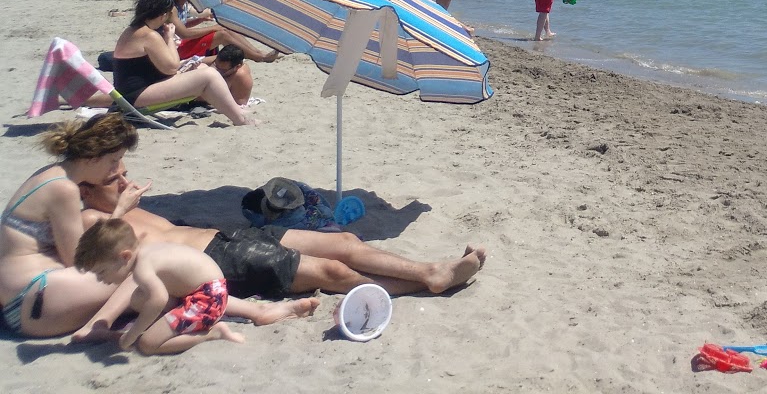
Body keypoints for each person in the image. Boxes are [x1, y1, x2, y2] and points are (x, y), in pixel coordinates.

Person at [77, 168, 486, 299]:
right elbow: (98, 267)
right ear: (85, 187)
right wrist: (119, 210)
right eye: (113, 176)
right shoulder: (91, 221)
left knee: (344, 243)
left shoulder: (122, 206)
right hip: (217, 262)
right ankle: (427, 280)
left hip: (226, 236)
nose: (124, 179)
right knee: (332, 274)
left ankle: (428, 269)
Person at [72, 218, 317, 353]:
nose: (101, 280)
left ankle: (212, 334)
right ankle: (255, 314)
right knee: (138, 298)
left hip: (207, 298)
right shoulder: (147, 251)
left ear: (125, 257)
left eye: (102, 272)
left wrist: (133, 334)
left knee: (147, 344)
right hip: (211, 289)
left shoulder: (142, 268)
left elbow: (157, 300)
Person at [0, 114, 141, 338]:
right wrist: (120, 212)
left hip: (23, 298)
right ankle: (95, 328)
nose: (115, 169)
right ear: (93, 157)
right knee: (141, 270)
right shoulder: (63, 189)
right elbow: (79, 260)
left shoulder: (50, 173)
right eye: (114, 160)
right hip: (34, 298)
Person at [112, 0, 256, 125]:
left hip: (132, 91)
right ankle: (239, 118)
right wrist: (169, 39)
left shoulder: (133, 30)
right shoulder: (149, 35)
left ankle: (231, 108)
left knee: (201, 67)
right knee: (209, 75)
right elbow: (171, 67)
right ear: (162, 15)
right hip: (136, 96)